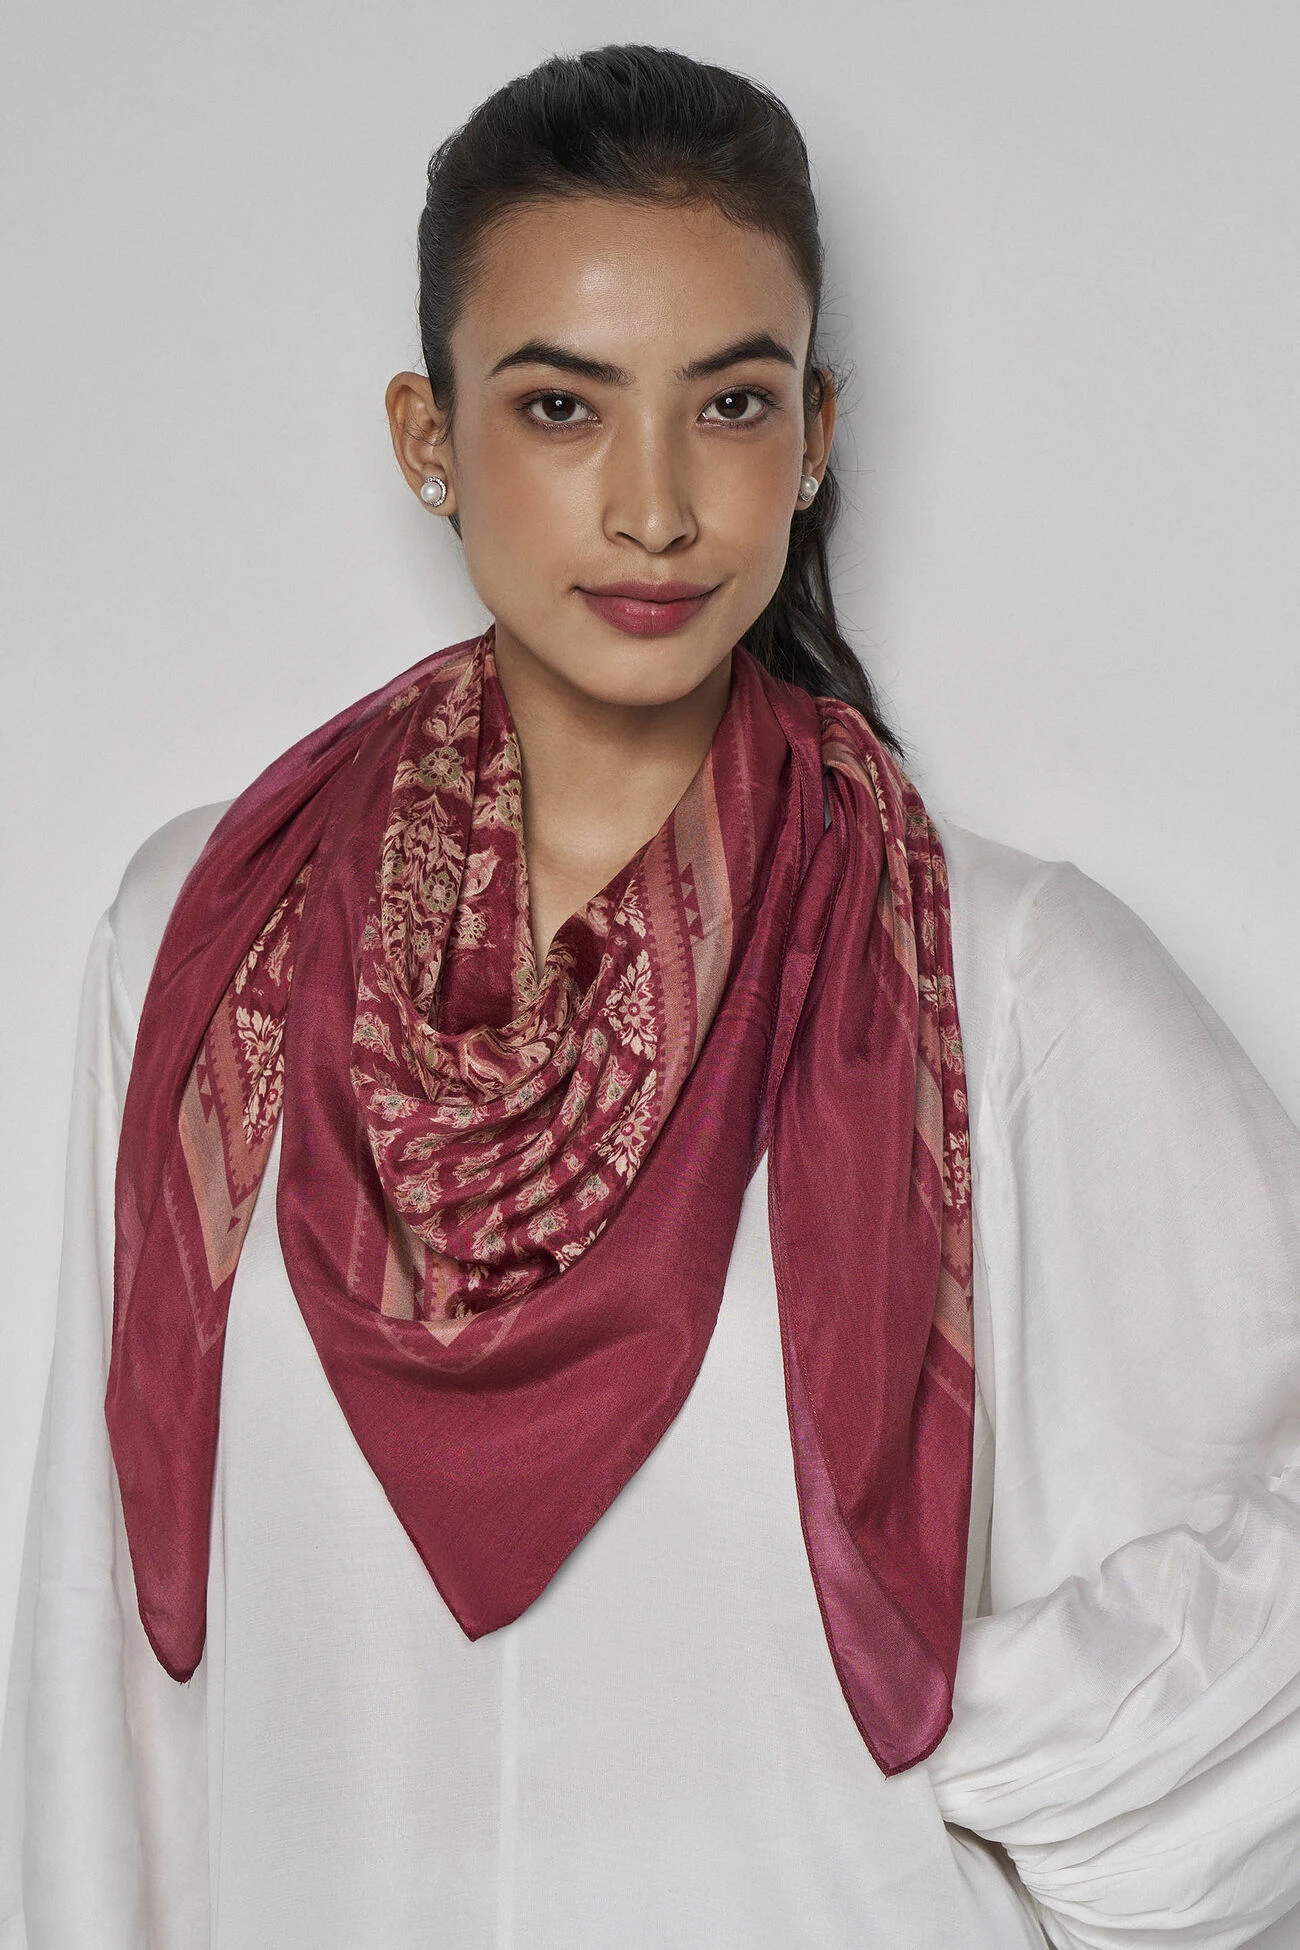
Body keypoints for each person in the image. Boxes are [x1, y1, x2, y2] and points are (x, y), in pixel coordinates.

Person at [3, 40, 1300, 1950]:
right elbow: (106, 1642)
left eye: (732, 404)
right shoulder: (210, 934)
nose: (656, 506)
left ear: (817, 433)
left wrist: (982, 1750)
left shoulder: (998, 970)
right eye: (560, 405)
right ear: (427, 436)